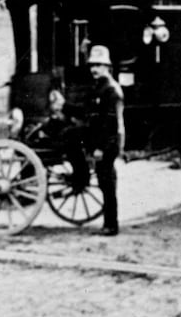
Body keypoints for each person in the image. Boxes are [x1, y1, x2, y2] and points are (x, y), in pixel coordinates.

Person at [52, 44, 126, 236]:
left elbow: (109, 124)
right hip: (98, 137)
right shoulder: (98, 87)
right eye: (93, 65)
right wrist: (64, 107)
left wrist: (100, 148)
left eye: (99, 65)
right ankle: (81, 175)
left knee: (106, 182)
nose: (94, 69)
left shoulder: (111, 91)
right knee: (69, 135)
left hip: (108, 141)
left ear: (107, 68)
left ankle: (111, 225)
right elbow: (85, 112)